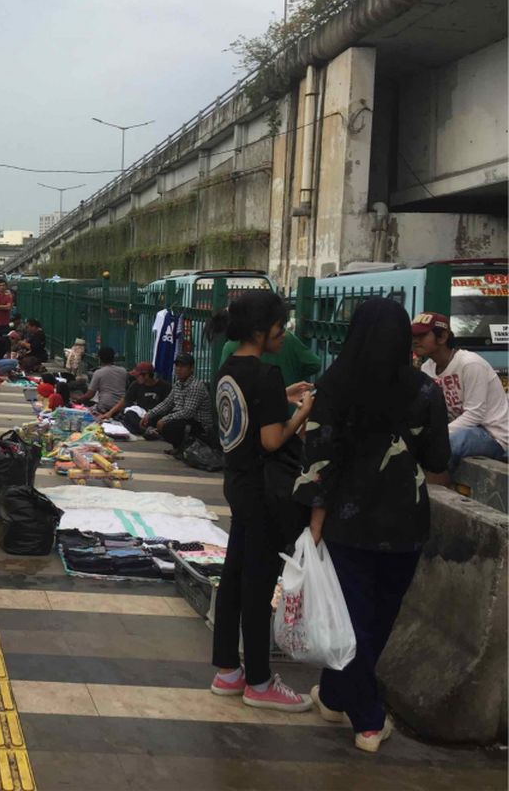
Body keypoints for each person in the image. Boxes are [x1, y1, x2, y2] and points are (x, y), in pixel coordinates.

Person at [295, 298, 450, 753]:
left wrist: (315, 520)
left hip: (348, 524)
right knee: (379, 619)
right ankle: (365, 714)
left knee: (352, 619)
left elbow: (318, 462)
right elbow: (439, 460)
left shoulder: (334, 385)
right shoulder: (424, 392)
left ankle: (348, 703)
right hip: (406, 523)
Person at [209, 290, 315, 713]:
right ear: (261, 330)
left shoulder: (228, 368)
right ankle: (258, 679)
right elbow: (272, 439)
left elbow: (247, 413)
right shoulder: (265, 375)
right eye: (279, 326)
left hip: (237, 485)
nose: (283, 333)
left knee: (234, 576)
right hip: (265, 491)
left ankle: (226, 669)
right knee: (257, 585)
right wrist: (302, 411)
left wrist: (282, 397)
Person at [411, 312, 508, 473]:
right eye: (414, 335)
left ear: (442, 337)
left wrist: (438, 435)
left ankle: (435, 490)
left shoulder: (470, 364)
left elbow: (475, 414)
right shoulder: (427, 368)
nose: (415, 340)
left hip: (493, 435)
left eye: (422, 335)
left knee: (446, 444)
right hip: (460, 429)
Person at [141, 353, 215, 454]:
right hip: (184, 421)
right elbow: (167, 403)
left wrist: (165, 419)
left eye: (183, 366)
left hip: (199, 426)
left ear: (191, 369)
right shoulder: (178, 384)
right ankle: (179, 447)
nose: (179, 369)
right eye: (177, 366)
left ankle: (183, 448)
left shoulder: (195, 386)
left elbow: (188, 412)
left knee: (169, 426)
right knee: (156, 419)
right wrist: (149, 415)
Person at [102, 361, 171, 435]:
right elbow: (125, 400)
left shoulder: (165, 386)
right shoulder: (136, 385)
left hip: (156, 416)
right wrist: (109, 413)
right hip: (141, 417)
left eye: (137, 376)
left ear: (146, 375)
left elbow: (168, 406)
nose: (136, 378)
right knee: (129, 413)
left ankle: (146, 431)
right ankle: (147, 431)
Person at [79, 348, 129, 415]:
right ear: (113, 358)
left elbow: (90, 395)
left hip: (105, 407)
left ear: (99, 359)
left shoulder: (98, 373)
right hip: (120, 407)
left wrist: (78, 399)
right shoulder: (123, 371)